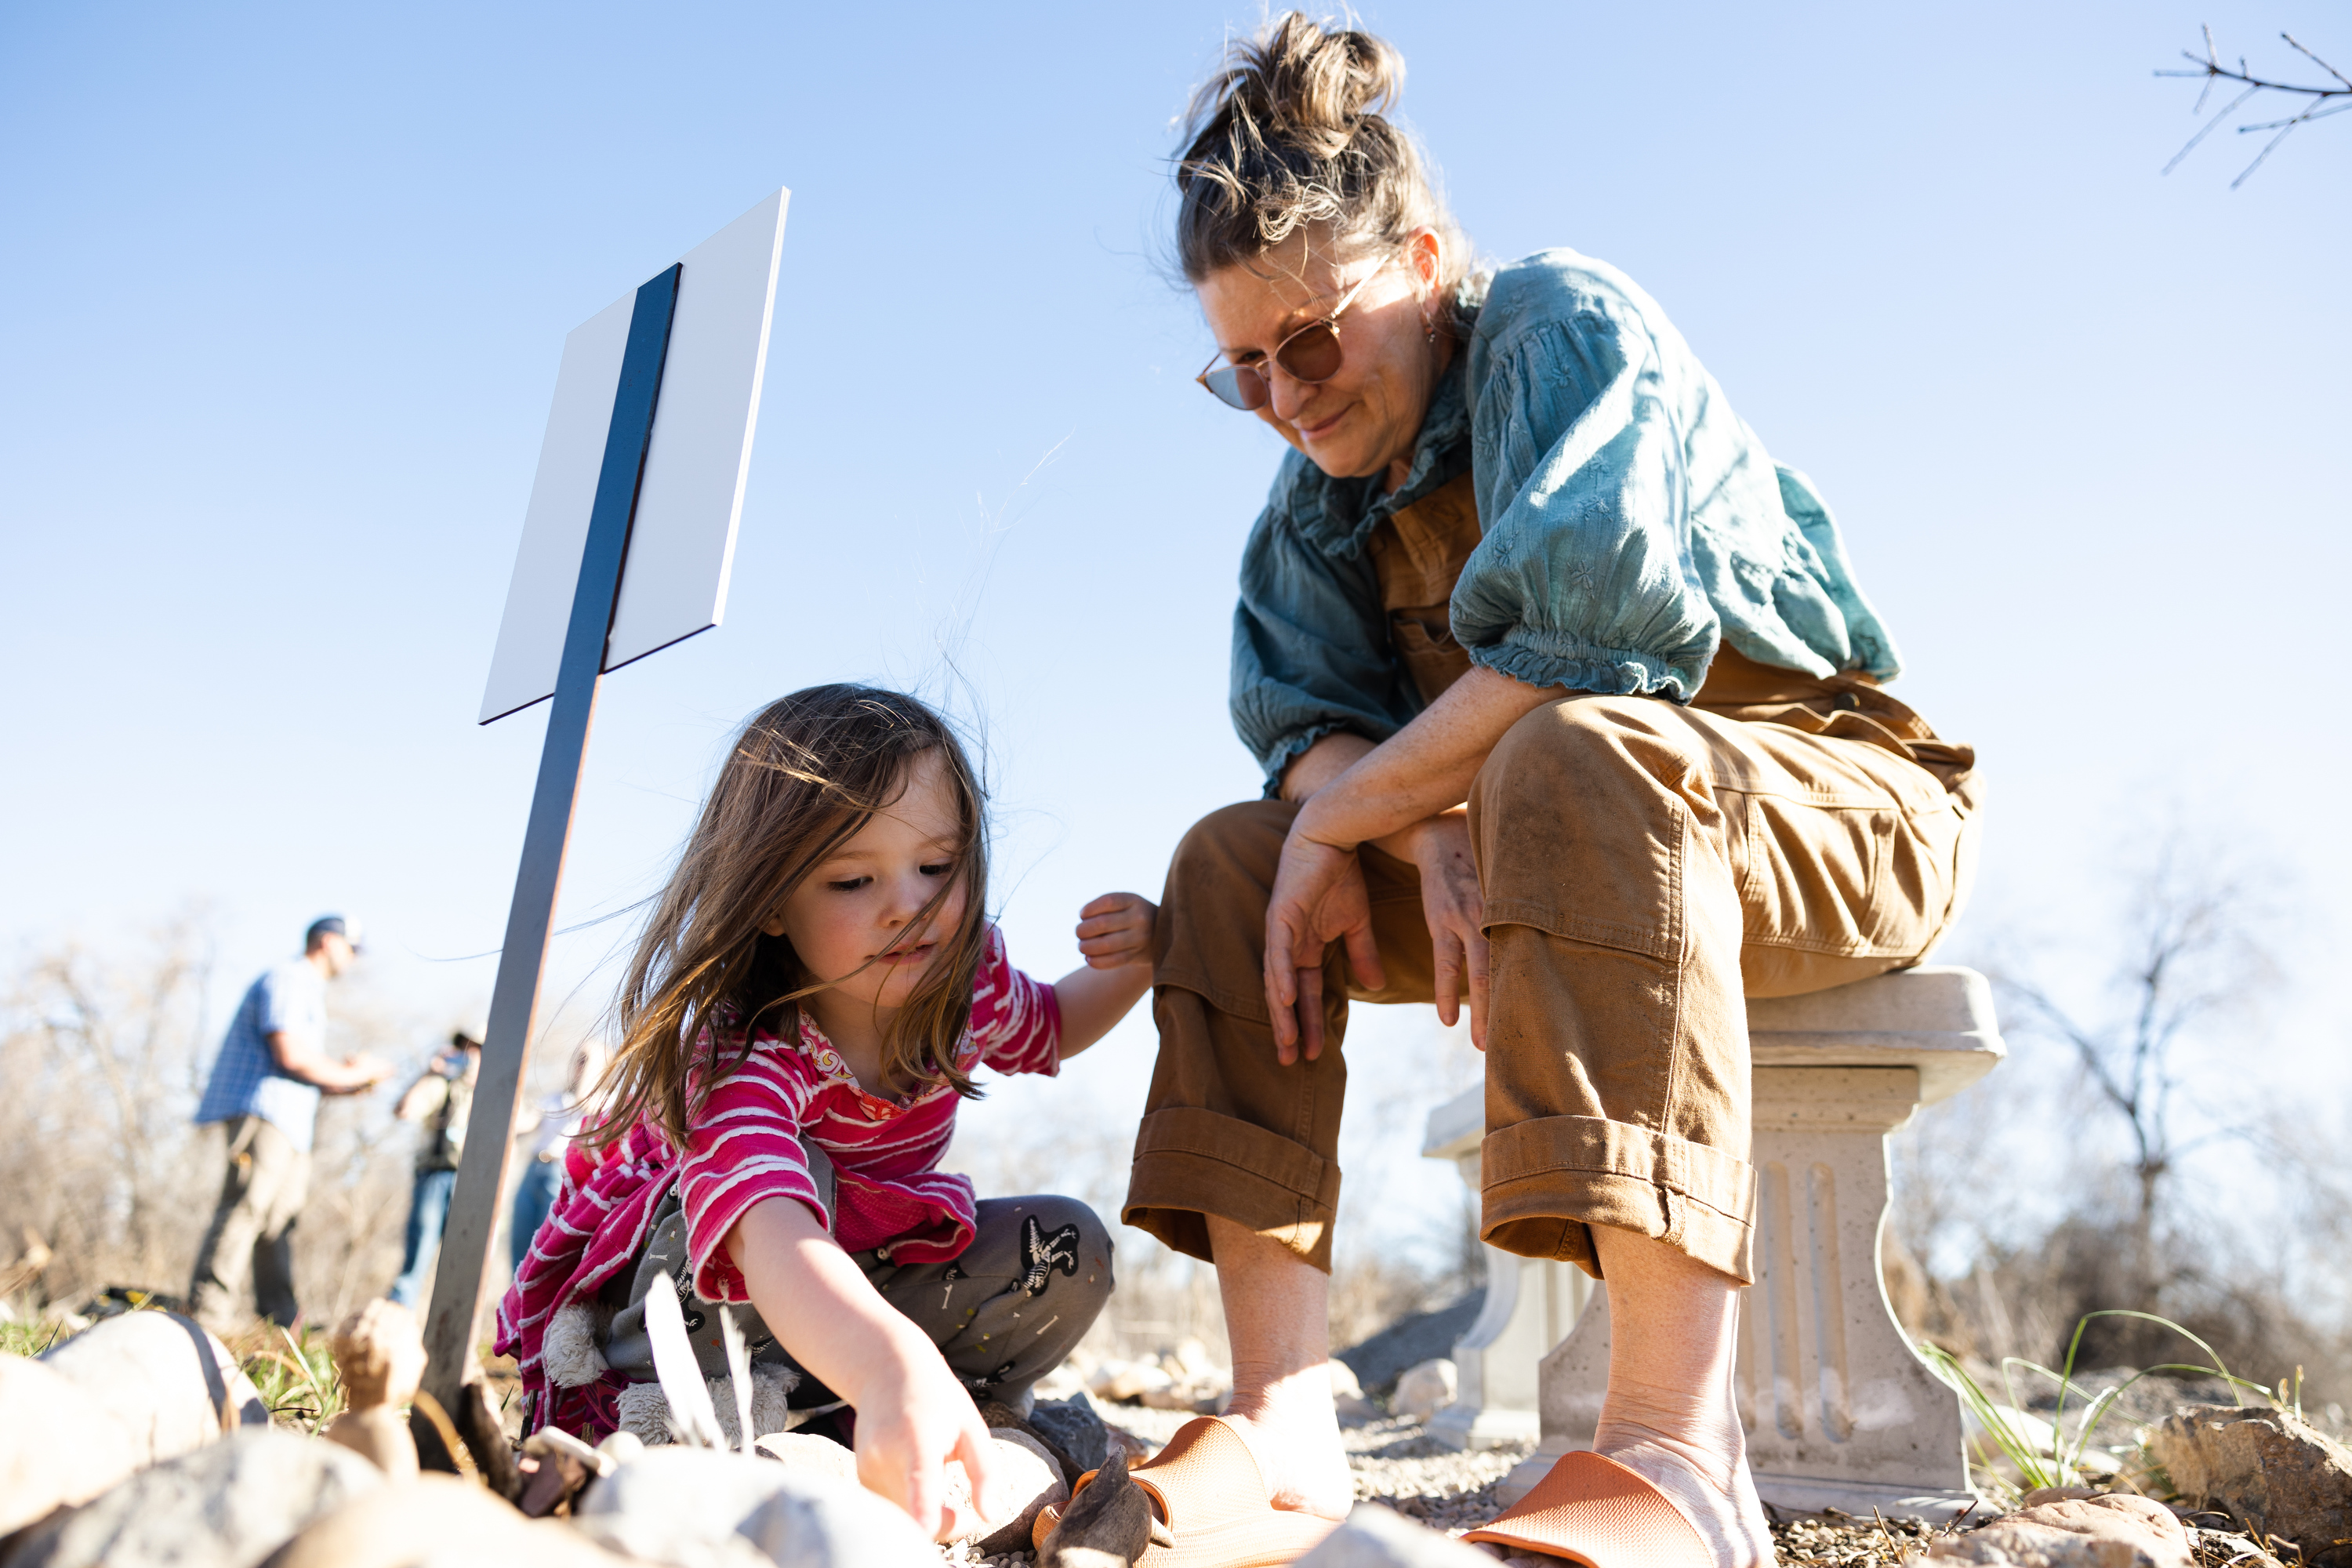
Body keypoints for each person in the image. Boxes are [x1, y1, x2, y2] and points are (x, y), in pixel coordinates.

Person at [1113, 17, 1983, 1568]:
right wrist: (1405, 818)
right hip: (1553, 818)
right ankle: (1285, 1417)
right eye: (1240, 369)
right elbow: (1297, 712)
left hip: (1827, 809)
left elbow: (1598, 646)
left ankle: (1672, 1452)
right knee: (1232, 862)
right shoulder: (1317, 496)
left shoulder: (1557, 328)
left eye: (1310, 340)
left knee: (1572, 754)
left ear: (1427, 259)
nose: (1286, 399)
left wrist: (1364, 809)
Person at [496, 685, 1157, 1543]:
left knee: (1069, 1242)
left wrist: (1140, 961)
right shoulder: (746, 1054)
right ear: (771, 900)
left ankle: (905, 1406)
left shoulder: (962, 991)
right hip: (712, 1288)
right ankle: (678, 1404)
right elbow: (771, 1228)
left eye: (938, 864)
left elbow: (1057, 1021)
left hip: (862, 1282)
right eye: (853, 877)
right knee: (796, 1173)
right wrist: (885, 1361)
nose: (908, 903)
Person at [190, 915, 393, 1331]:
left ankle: (280, 1320)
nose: (353, 959)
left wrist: (354, 1079)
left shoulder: (309, 990)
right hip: (263, 1112)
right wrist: (355, 1074)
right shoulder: (288, 979)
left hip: (291, 1125)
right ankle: (206, 1316)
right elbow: (292, 1058)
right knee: (247, 1206)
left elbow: (310, 1071)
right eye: (351, 948)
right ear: (328, 942)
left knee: (279, 1219)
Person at [386, 1029, 482, 1308]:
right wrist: (429, 1073)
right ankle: (397, 1319)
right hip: (436, 1176)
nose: (471, 1055)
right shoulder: (440, 1085)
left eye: (478, 1050)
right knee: (417, 1255)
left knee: (464, 1262)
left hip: (475, 1185)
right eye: (466, 1048)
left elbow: (527, 1123)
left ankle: (453, 1329)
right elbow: (404, 1110)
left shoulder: (499, 1095)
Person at [508, 1041, 600, 1272]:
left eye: (585, 1062)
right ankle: (514, 1298)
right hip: (534, 1167)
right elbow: (525, 1125)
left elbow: (585, 1099)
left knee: (547, 1241)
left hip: (562, 1174)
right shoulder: (554, 1098)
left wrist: (594, 1061)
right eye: (578, 1060)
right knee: (520, 1236)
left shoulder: (601, 1101)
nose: (580, 1067)